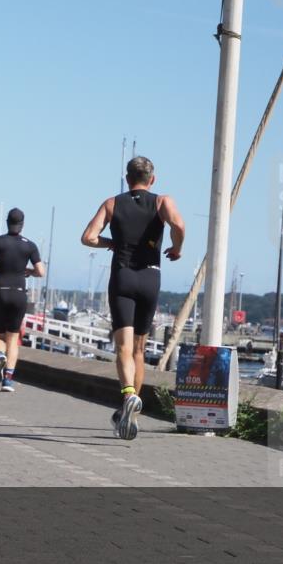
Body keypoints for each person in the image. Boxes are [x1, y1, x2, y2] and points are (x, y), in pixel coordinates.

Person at [81, 156, 184, 440]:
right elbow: (179, 226)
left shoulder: (112, 203)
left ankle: (127, 396)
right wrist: (176, 248)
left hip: (123, 276)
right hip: (150, 277)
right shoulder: (162, 201)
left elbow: (88, 237)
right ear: (152, 179)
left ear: (127, 179)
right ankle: (132, 411)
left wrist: (109, 243)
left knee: (123, 349)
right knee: (139, 351)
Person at [0, 208, 45, 392]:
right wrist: (28, 271)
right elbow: (40, 271)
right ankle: (8, 380)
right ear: (22, 225)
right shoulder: (29, 245)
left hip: (1, 292)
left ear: (7, 222)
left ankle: (0, 354)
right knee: (13, 339)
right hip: (19, 293)